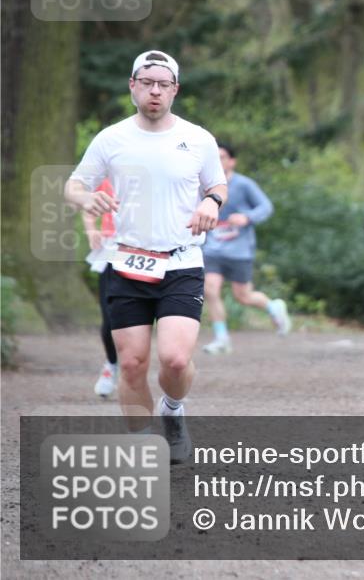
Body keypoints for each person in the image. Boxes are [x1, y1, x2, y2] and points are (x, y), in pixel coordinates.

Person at [65, 50, 228, 463]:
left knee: (175, 360)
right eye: (147, 82)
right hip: (127, 262)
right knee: (133, 364)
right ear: (133, 86)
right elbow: (73, 186)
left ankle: (172, 410)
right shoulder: (111, 138)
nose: (155, 91)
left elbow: (218, 187)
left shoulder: (198, 139)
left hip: (181, 261)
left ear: (175, 90)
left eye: (164, 84)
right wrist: (87, 198)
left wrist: (211, 203)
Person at [201, 143, 290, 354]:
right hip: (213, 249)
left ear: (232, 161)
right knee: (210, 289)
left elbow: (266, 207)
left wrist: (247, 217)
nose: (219, 161)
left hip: (239, 250)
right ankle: (221, 337)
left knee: (243, 295)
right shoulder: (203, 185)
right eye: (216, 157)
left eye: (223, 157)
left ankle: (273, 307)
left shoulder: (244, 184)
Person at [83, 178, 118, 398]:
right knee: (109, 320)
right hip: (112, 251)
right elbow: (88, 210)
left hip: (151, 252)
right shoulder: (105, 180)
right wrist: (90, 230)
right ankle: (111, 364)